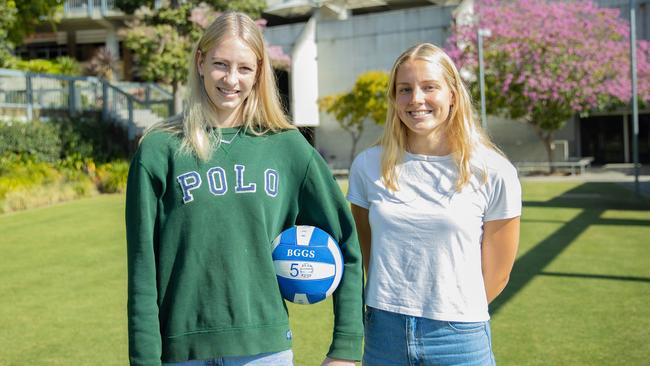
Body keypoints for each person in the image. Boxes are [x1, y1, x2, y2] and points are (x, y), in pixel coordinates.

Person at [125, 12, 363, 366]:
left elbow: (346, 243)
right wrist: (144, 360)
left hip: (265, 350)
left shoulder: (287, 147)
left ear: (259, 71)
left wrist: (345, 346)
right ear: (200, 61)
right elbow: (143, 267)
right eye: (221, 64)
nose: (231, 79)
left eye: (244, 68)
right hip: (181, 350)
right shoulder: (159, 150)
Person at [347, 43, 521, 366]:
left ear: (453, 94)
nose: (416, 99)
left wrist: (452, 310)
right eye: (405, 89)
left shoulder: (494, 171)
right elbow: (367, 256)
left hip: (459, 336)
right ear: (394, 98)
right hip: (384, 333)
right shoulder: (367, 166)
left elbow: (498, 273)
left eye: (430, 87)